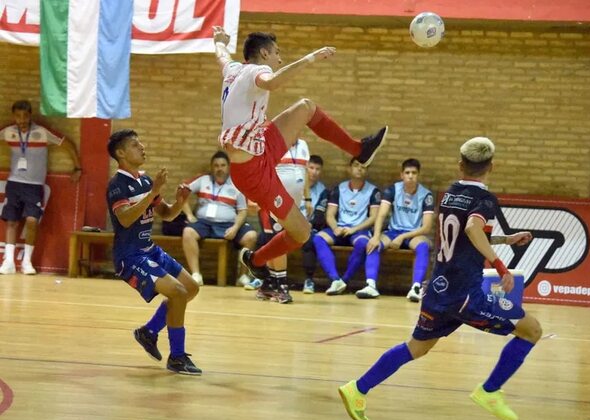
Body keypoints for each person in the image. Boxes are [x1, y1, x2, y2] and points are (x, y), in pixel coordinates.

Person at [338, 137, 541, 420]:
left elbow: (464, 235)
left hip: (438, 289)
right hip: (465, 296)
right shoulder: (485, 200)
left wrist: (505, 239)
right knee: (531, 330)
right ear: (491, 167)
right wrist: (500, 265)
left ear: (460, 165)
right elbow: (472, 228)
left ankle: (357, 389)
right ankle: (490, 390)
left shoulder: (449, 194)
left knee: (417, 347)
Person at [212, 26, 388, 281]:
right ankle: (256, 260)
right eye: (277, 53)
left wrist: (219, 41)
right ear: (264, 53)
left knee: (306, 107)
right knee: (303, 233)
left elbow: (221, 56)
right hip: (253, 173)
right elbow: (272, 82)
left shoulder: (233, 70)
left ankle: (359, 150)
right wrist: (310, 58)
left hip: (260, 147)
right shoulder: (258, 70)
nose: (279, 58)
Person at [106, 129, 202, 375]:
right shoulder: (117, 185)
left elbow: (166, 213)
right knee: (178, 293)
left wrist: (180, 201)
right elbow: (126, 219)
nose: (142, 147)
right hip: (130, 256)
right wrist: (152, 193)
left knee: (191, 288)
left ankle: (149, 331)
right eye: (136, 145)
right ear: (121, 153)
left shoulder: (146, 181)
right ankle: (177, 357)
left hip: (149, 250)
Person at [0, 100, 81, 275]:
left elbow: (68, 144)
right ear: (14, 116)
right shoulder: (8, 132)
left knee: (31, 221)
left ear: (30, 115)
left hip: (34, 186)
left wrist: (77, 167)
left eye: (25, 115)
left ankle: (27, 261)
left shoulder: (42, 132)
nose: (22, 119)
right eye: (18, 116)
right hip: (14, 183)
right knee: (12, 221)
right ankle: (8, 262)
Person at [181, 150, 258, 286]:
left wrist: (235, 227)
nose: (219, 169)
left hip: (228, 224)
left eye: (222, 165)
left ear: (228, 167)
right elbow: (182, 194)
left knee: (251, 236)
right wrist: (189, 215)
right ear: (212, 168)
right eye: (216, 166)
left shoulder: (237, 184)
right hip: (204, 223)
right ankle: (196, 274)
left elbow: (242, 211)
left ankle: (242, 276)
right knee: (188, 232)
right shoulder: (202, 180)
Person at [363, 158, 435, 300]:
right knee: (373, 244)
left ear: (418, 175)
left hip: (413, 233)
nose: (410, 176)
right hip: (393, 231)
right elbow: (381, 215)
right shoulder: (392, 190)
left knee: (423, 246)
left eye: (414, 173)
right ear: (401, 175)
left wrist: (403, 237)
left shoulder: (426, 195)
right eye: (407, 172)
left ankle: (415, 288)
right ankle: (370, 285)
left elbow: (426, 227)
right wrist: (376, 236)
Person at [254, 137, 311, 303]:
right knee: (277, 242)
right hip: (274, 201)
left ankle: (269, 284)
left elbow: (304, 173)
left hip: (292, 205)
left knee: (276, 242)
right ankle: (281, 286)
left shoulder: (303, 145)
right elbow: (260, 171)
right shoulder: (273, 143)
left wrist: (308, 199)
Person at [313, 158, 381, 296]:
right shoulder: (339, 188)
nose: (359, 169)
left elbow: (374, 217)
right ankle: (335, 279)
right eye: (356, 165)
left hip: (358, 230)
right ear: (349, 169)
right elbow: (330, 215)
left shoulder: (373, 191)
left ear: (367, 170)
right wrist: (335, 228)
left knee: (363, 243)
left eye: (363, 166)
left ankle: (344, 280)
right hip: (340, 229)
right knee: (318, 239)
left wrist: (354, 229)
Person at [300, 154, 328, 294]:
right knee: (266, 236)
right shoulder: (295, 183)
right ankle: (264, 277)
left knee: (310, 240)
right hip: (289, 224)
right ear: (305, 168)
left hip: (308, 227)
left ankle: (309, 280)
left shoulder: (322, 190)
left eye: (318, 169)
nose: (314, 172)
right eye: (311, 168)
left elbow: (319, 217)